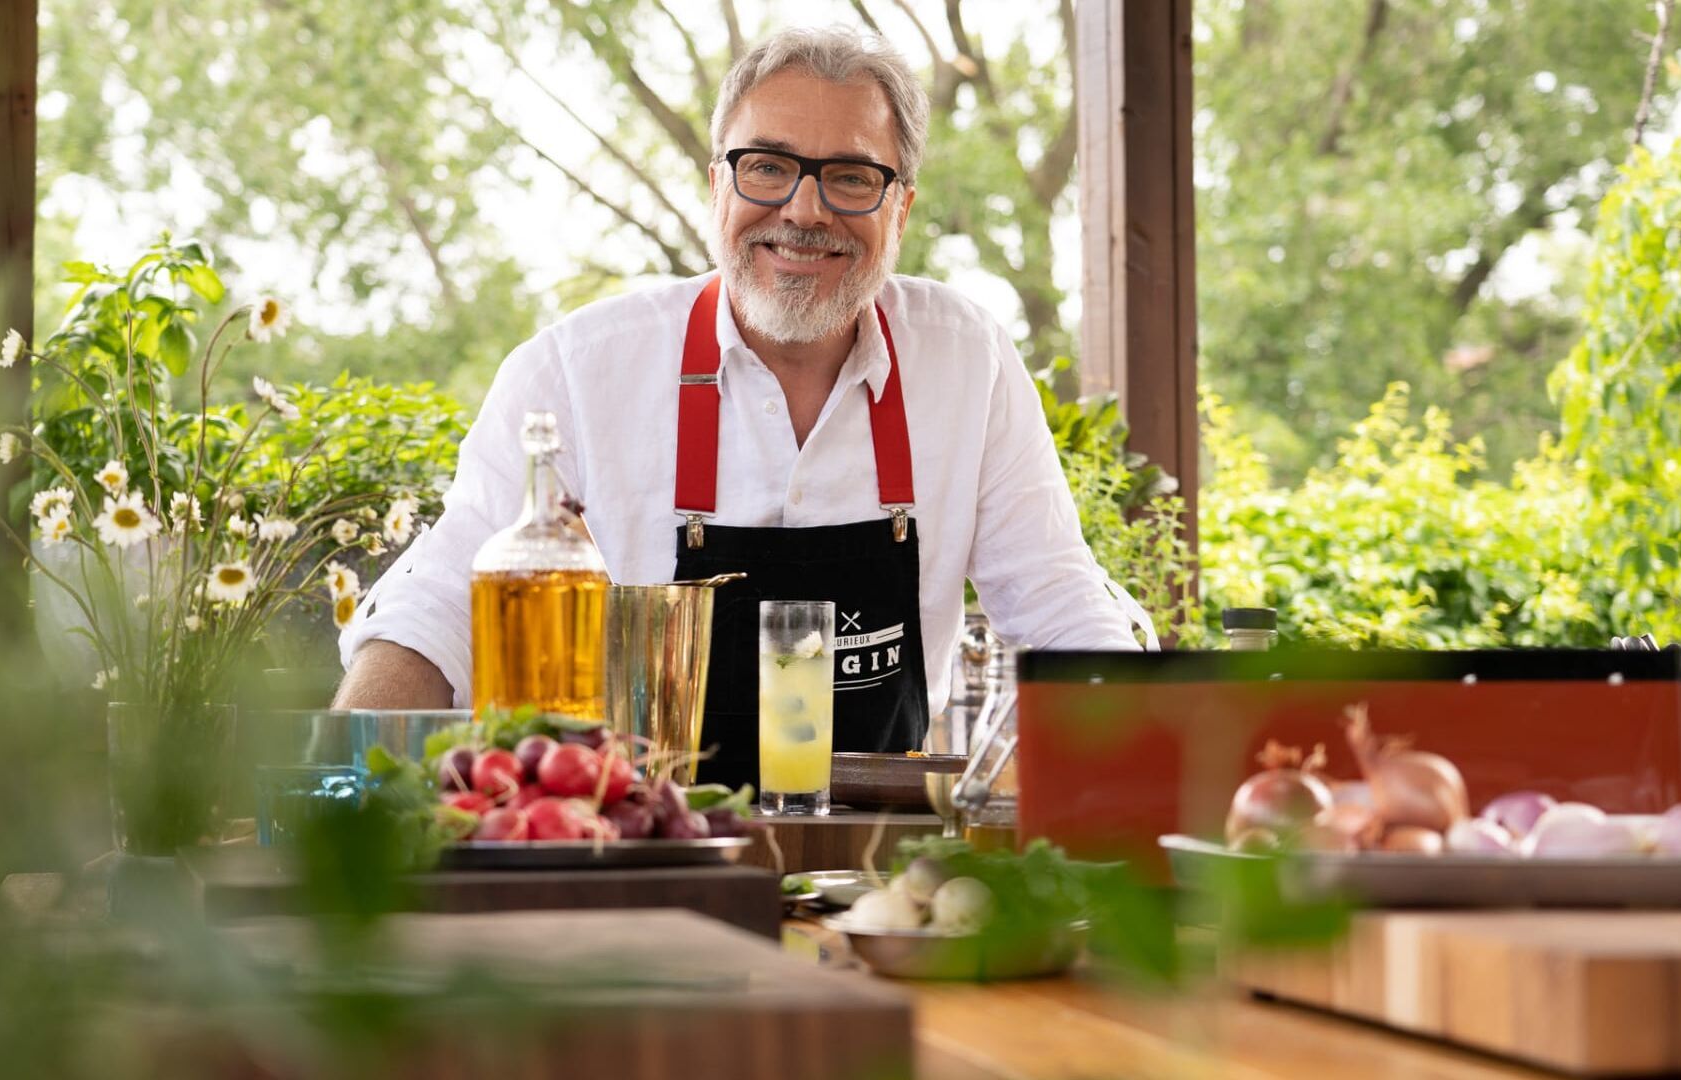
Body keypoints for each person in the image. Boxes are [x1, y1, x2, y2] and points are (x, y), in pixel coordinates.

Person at [335, 25, 1154, 786]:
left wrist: (1158, 763)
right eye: (767, 165)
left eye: (851, 177)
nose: (804, 210)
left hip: (876, 878)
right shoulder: (576, 373)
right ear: (716, 182)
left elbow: (1055, 603)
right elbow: (441, 605)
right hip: (641, 856)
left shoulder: (966, 361)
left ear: (899, 206)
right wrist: (343, 796)